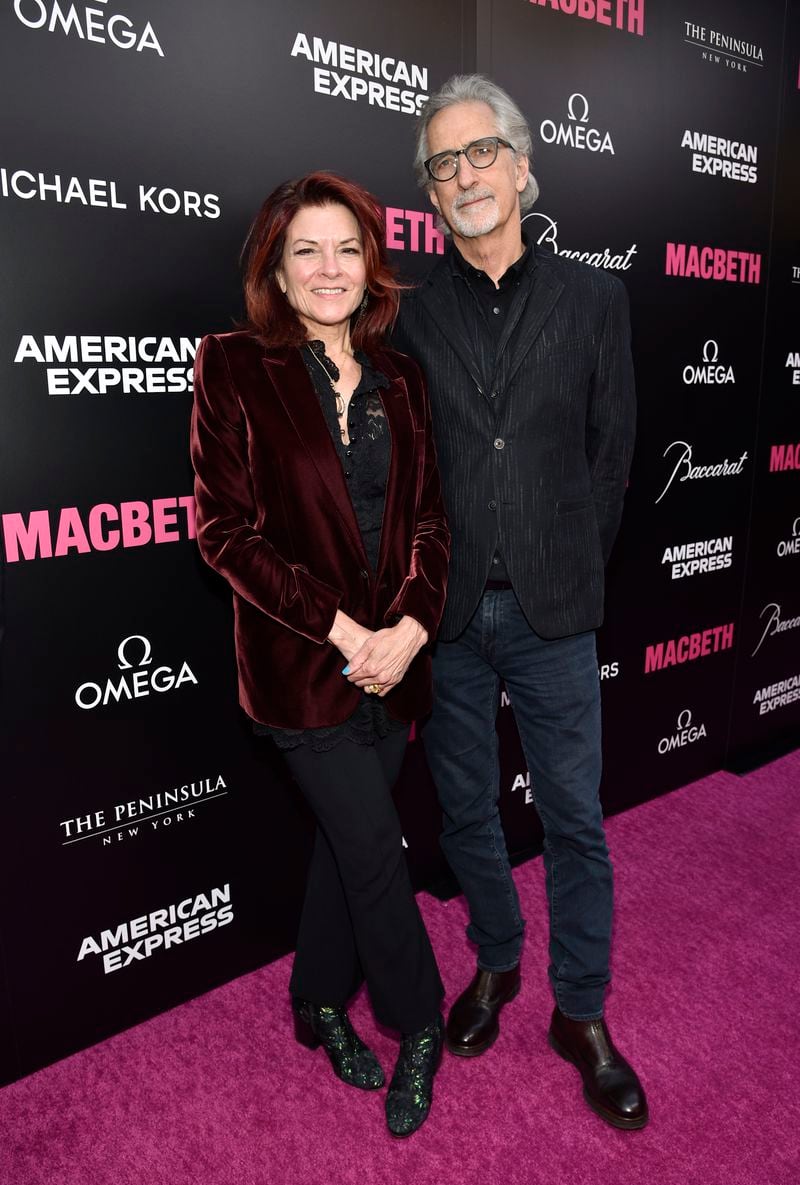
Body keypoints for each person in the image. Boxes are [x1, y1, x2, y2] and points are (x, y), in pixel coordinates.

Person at [392, 75, 647, 1130]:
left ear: (521, 162)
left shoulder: (594, 297)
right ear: (430, 192)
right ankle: (496, 963)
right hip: (447, 618)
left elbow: (611, 450)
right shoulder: (408, 314)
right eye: (442, 165)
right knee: (464, 812)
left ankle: (577, 1011)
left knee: (575, 818)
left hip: (551, 610)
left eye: (479, 153)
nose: (463, 177)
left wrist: (568, 567)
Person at [190, 171, 450, 1138]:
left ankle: (315, 1002)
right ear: (279, 269)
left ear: (372, 263)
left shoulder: (402, 376)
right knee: (376, 850)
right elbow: (225, 533)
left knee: (348, 850)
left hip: (397, 666)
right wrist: (347, 633)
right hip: (306, 668)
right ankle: (419, 1020)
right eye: (308, 250)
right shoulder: (232, 367)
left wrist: (412, 629)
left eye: (348, 247)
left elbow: (429, 521)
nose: (331, 267)